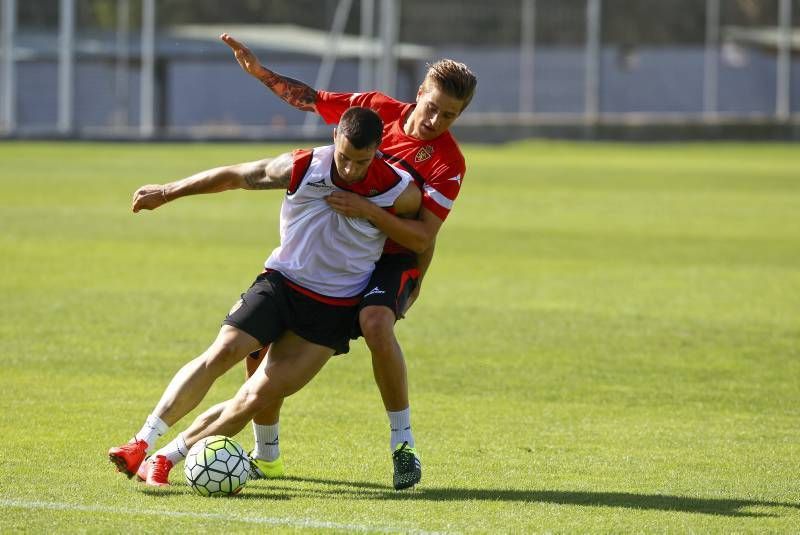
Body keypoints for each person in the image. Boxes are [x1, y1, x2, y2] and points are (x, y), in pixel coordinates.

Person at [108, 106, 421, 487]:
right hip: (281, 284)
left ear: (377, 150)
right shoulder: (304, 167)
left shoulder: (398, 189)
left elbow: (420, 238)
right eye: (345, 158)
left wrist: (371, 212)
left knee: (255, 395)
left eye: (362, 161)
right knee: (221, 352)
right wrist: (167, 192)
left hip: (332, 310)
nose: (352, 170)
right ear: (335, 137)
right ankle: (140, 441)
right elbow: (235, 176)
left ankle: (166, 457)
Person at [220, 32, 477, 490]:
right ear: (419, 92)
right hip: (338, 245)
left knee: (377, 323)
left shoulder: (449, 162)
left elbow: (421, 234)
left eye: (450, 115)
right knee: (263, 339)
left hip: (396, 255)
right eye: (433, 106)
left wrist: (372, 213)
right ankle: (268, 453)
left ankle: (403, 446)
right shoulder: (375, 112)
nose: (437, 119)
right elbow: (312, 100)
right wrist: (262, 74)